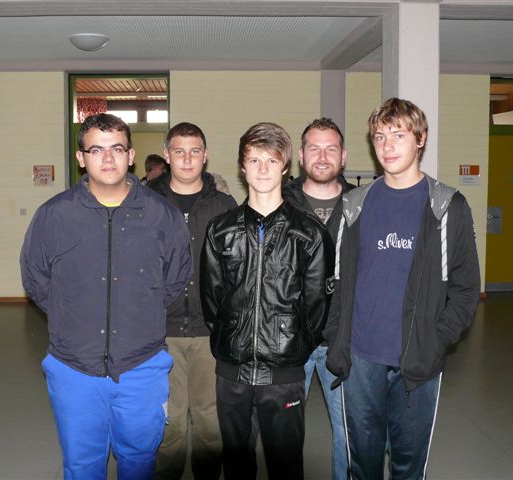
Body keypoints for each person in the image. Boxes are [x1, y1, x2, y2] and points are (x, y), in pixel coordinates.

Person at [20, 113, 192, 480]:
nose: (108, 158)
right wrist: (71, 313)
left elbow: (176, 278)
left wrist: (139, 313)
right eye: (96, 150)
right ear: (81, 158)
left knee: (140, 463)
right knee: (82, 466)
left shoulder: (161, 215)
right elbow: (35, 278)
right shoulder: (54, 215)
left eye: (117, 148)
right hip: (74, 368)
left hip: (141, 366)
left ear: (131, 155)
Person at [325, 98, 480, 479]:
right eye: (380, 136)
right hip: (360, 358)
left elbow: (466, 288)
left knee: (408, 466)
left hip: (418, 360)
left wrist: (436, 339)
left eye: (398, 135)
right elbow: (330, 282)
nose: (387, 146)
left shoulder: (448, 207)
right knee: (362, 464)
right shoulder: (352, 206)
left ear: (420, 139)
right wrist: (336, 335)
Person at [200, 122, 334, 480]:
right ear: (242, 167)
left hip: (284, 374)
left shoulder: (309, 234)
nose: (262, 169)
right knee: (236, 466)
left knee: (286, 466)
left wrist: (291, 343)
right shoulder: (220, 230)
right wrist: (233, 336)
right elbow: (212, 302)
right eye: (254, 160)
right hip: (232, 372)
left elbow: (317, 308)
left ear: (285, 167)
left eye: (271, 161)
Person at [150, 122, 237, 480]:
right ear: (167, 155)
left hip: (210, 333)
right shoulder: (146, 203)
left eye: (195, 151)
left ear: (206, 156)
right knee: (169, 423)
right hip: (161, 332)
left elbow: (238, 268)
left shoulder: (224, 205)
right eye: (179, 151)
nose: (187, 159)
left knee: (209, 421)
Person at [282, 117, 354, 480]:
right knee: (284, 434)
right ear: (300, 155)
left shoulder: (362, 206)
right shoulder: (278, 201)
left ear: (344, 156)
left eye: (331, 149)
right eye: (314, 148)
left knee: (349, 432)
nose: (322, 157)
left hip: (343, 340)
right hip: (288, 341)